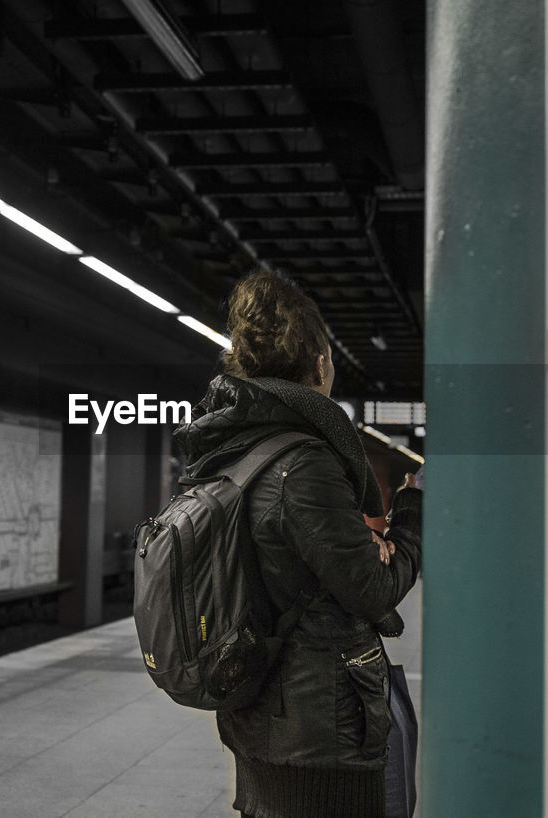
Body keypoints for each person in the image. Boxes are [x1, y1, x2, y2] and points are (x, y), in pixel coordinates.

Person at [174, 269, 422, 818]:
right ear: (318, 363)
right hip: (318, 728)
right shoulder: (304, 463)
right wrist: (410, 517)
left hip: (258, 707)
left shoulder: (230, 450)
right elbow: (374, 589)